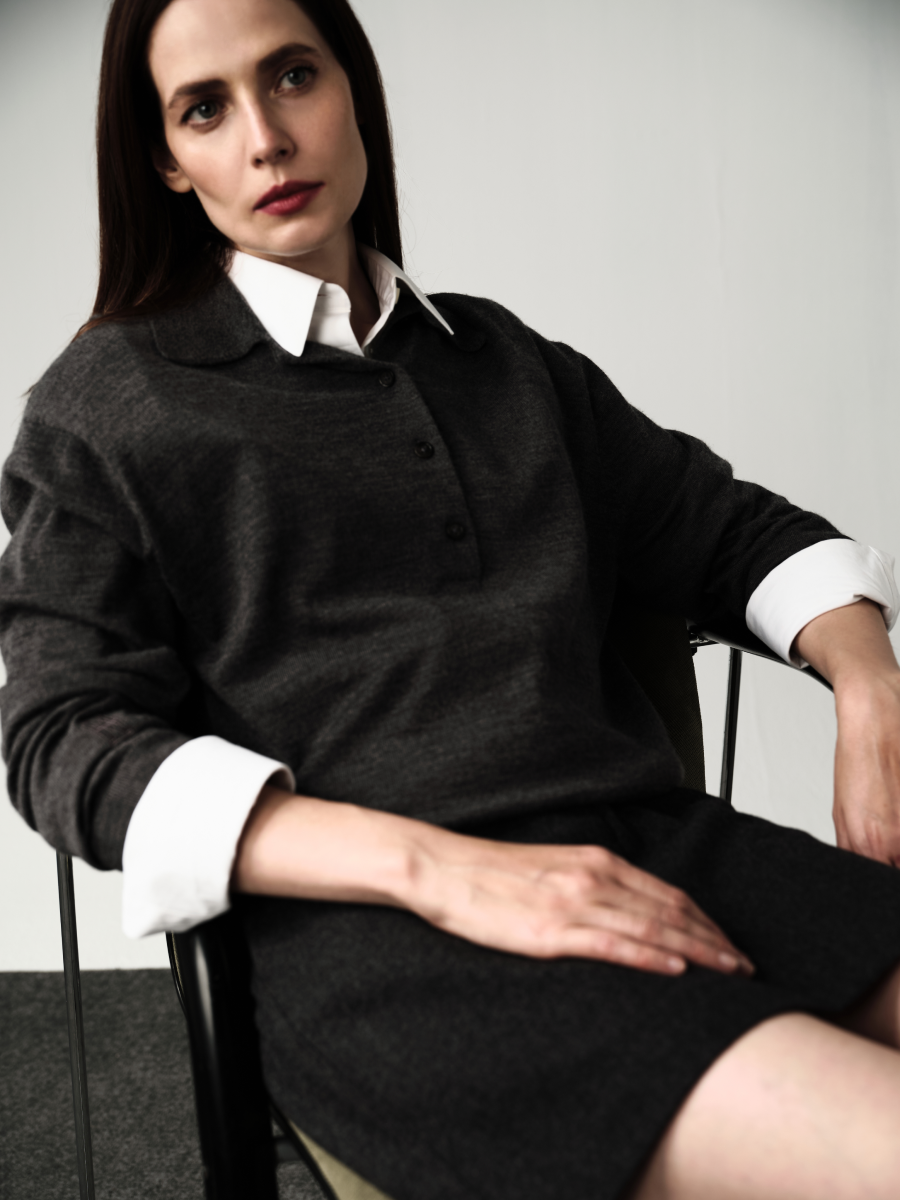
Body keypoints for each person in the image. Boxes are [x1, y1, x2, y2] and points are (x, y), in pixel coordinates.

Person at [4, 0, 900, 1196]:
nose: (267, 139)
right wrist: (441, 868)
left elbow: (738, 532)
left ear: (352, 88)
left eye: (293, 76)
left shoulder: (505, 363)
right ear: (166, 159)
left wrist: (870, 688)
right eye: (205, 109)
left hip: (663, 849)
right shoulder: (107, 407)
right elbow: (61, 736)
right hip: (392, 947)